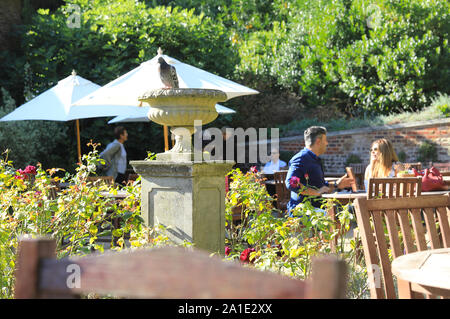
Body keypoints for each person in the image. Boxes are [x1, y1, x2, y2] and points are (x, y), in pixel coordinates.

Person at [285, 126, 354, 215]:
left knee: (349, 211)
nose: (327, 143)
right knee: (338, 216)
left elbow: (320, 186)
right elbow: (291, 183)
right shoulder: (301, 158)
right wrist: (315, 192)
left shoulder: (314, 159)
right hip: (302, 211)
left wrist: (337, 184)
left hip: (317, 208)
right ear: (318, 141)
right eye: (325, 140)